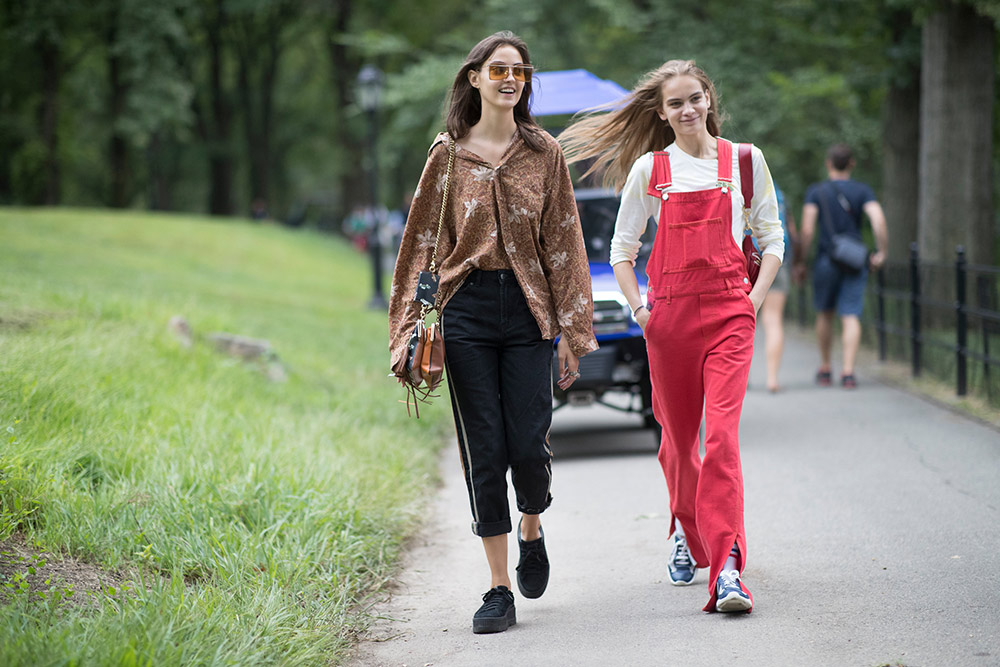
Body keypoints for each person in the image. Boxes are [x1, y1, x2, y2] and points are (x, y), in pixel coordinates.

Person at [388, 31, 597, 634]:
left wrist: (572, 332)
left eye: (520, 71)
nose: (511, 78)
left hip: (530, 311)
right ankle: (498, 587)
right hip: (468, 311)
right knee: (485, 449)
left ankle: (533, 524)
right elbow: (421, 244)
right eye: (499, 69)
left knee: (529, 444)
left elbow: (564, 244)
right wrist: (406, 329)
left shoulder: (545, 153)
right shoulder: (448, 155)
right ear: (475, 77)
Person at [560, 59, 784, 614]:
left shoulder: (745, 162)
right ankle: (687, 529)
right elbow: (622, 252)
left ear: (709, 98)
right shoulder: (649, 170)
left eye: (695, 98)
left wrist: (752, 303)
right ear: (662, 113)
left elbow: (772, 236)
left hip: (732, 312)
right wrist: (641, 310)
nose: (688, 110)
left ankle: (728, 568)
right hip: (670, 321)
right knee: (678, 444)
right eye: (676, 103)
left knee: (721, 440)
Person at [797, 143, 888, 389]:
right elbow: (878, 220)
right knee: (850, 315)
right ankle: (848, 372)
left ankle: (826, 368)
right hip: (855, 261)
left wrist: (801, 261)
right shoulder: (863, 191)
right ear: (851, 164)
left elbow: (807, 230)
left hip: (827, 259)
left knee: (825, 313)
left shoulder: (816, 191)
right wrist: (881, 252)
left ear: (828, 163)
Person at [760, 185, 799, 393]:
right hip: (777, 259)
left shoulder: (734, 184)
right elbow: (791, 231)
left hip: (748, 261)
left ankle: (741, 377)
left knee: (740, 322)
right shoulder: (778, 192)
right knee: (773, 320)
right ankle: (772, 378)